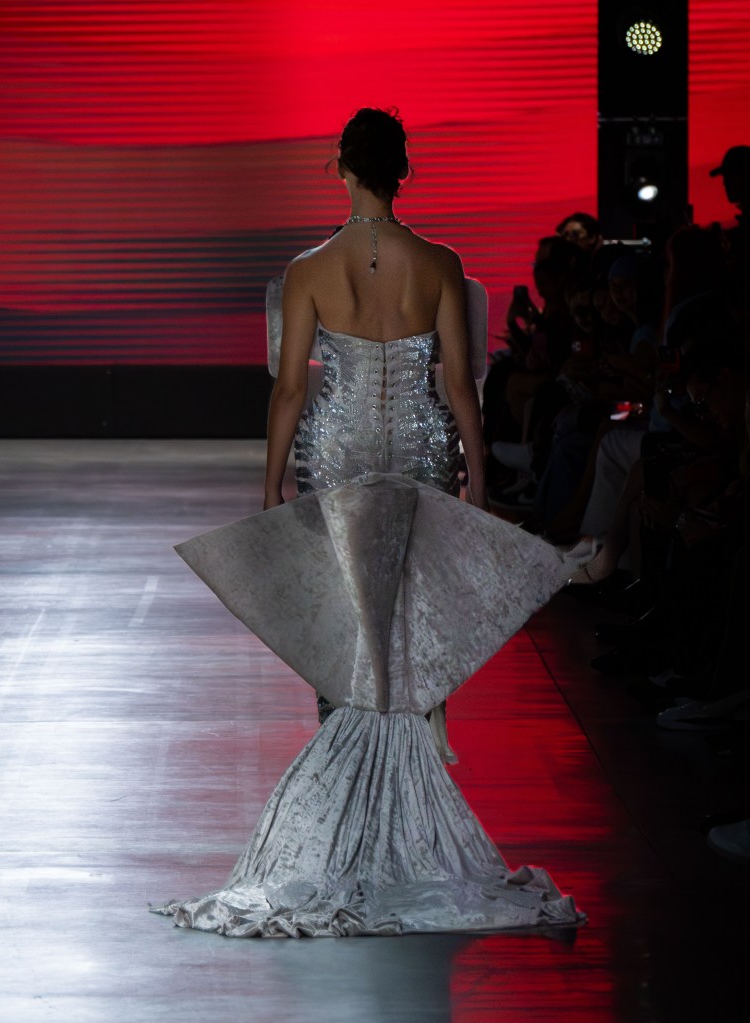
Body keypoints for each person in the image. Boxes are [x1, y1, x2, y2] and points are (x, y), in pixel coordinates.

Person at [152, 108, 585, 937]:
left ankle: (349, 816)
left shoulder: (311, 268)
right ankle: (406, 827)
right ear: (402, 171)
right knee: (409, 621)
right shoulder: (441, 264)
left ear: (343, 169)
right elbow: (460, 385)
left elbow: (290, 387)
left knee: (348, 622)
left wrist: (271, 481)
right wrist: (478, 477)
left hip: (343, 450)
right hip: (421, 449)